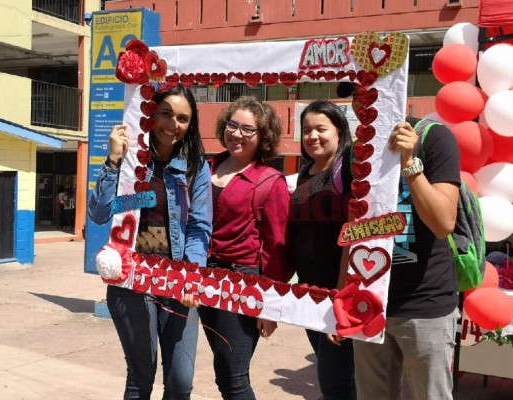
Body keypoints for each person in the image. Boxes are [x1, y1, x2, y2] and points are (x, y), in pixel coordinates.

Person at [87, 83, 212, 400]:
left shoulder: (195, 167)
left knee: (181, 382)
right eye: (166, 114)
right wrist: (114, 160)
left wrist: (192, 275)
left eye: (183, 119)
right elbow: (102, 213)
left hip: (179, 282)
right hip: (131, 283)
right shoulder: (132, 164)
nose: (173, 125)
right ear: (151, 114)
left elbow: (199, 227)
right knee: (141, 377)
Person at [341, 81, 462, 400]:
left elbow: (443, 224)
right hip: (369, 302)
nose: (361, 102)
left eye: (370, 91)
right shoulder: (356, 151)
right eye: (355, 95)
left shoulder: (434, 137)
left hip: (425, 304)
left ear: (397, 90)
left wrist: (409, 164)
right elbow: (354, 227)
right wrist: (343, 294)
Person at [199, 96, 293, 399]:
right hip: (204, 278)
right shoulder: (205, 168)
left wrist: (270, 305)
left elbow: (278, 248)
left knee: (232, 373)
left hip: (243, 281)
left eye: (247, 130)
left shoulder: (269, 181)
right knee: (224, 372)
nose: (237, 134)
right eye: (232, 125)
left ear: (262, 136)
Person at [287, 100, 356, 400]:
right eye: (306, 130)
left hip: (338, 294)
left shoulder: (349, 169)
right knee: (332, 375)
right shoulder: (304, 173)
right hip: (310, 293)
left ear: (339, 131)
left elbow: (352, 237)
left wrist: (342, 296)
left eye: (321, 129)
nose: (313, 136)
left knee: (335, 381)